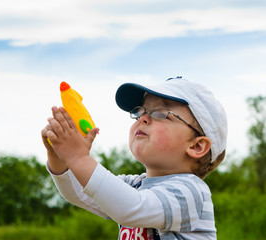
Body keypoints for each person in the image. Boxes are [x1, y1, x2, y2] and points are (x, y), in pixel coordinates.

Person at [41, 77, 227, 240]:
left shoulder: (192, 192)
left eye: (160, 112)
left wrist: (79, 158)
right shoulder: (134, 185)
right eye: (140, 111)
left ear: (196, 146)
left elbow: (132, 207)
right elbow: (80, 193)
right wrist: (60, 159)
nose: (143, 118)